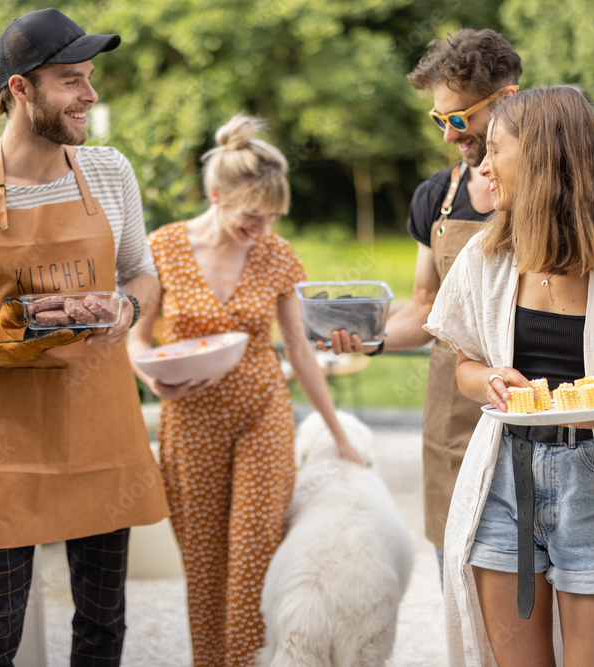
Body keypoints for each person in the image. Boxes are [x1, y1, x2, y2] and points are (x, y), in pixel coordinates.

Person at [0, 8, 168, 665]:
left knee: (102, 634)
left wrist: (126, 307)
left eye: (91, 78)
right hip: (11, 450)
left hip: (104, 434)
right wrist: (15, 323)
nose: (90, 95)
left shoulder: (108, 173)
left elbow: (141, 273)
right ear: (21, 89)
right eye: (72, 80)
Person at [424, 86, 594, 665]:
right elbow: (464, 363)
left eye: (496, 150)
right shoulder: (486, 257)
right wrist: (491, 380)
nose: (484, 166)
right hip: (503, 475)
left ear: (543, 157)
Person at [127, 114, 363, 666]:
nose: (262, 229)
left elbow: (301, 350)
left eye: (273, 218)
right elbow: (135, 338)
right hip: (189, 420)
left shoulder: (277, 254)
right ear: (216, 194)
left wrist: (338, 436)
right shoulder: (160, 248)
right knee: (204, 566)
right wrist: (151, 376)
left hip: (263, 413)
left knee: (256, 559)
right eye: (252, 216)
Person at [328, 29, 521, 574]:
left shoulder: (551, 192)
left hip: (536, 409)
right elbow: (424, 307)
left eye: (459, 119)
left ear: (506, 102)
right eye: (439, 120)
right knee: (459, 581)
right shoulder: (435, 196)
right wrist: (369, 337)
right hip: (454, 420)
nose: (447, 135)